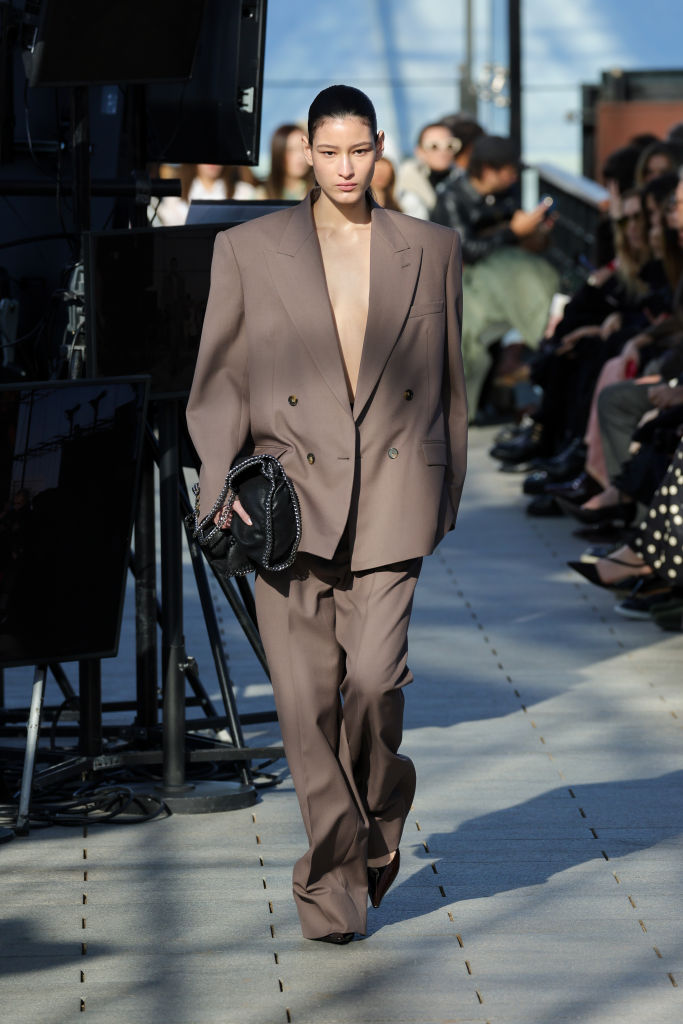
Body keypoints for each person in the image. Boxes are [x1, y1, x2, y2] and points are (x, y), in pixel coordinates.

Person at [186, 85, 467, 945]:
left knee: (376, 682)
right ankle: (333, 882)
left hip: (391, 496)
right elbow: (221, 378)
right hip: (288, 504)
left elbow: (451, 379)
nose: (345, 168)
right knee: (304, 703)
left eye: (360, 151)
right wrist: (216, 489)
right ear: (306, 152)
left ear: (378, 149)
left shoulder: (431, 247)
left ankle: (376, 818)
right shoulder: (247, 248)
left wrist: (443, 490)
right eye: (329, 151)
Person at [431, 134, 559, 415]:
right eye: (510, 172)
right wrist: (514, 232)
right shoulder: (452, 197)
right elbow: (465, 249)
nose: (514, 178)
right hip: (465, 282)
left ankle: (540, 348)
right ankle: (542, 346)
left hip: (503, 278)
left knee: (530, 275)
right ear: (489, 170)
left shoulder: (506, 195)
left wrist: (534, 233)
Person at [395, 121, 459, 219]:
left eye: (450, 145)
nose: (443, 151)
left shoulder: (465, 182)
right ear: (419, 151)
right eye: (434, 146)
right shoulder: (405, 190)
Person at [264, 123, 315, 200]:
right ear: (278, 153)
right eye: (291, 150)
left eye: (304, 149)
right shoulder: (261, 195)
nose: (300, 156)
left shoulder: (320, 193)